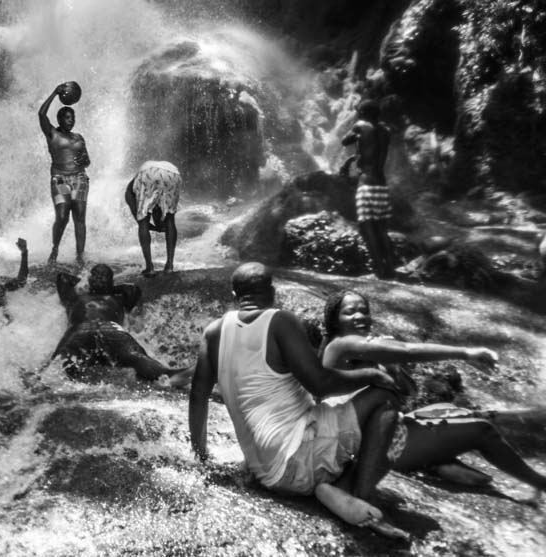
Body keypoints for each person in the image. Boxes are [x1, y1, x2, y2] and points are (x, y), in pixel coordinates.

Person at [189, 263, 405, 534]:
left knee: (334, 413)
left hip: (265, 473)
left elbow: (198, 397)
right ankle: (355, 494)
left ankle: (336, 485)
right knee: (386, 399)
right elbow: (321, 384)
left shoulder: (213, 332)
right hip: (299, 462)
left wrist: (200, 456)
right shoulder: (279, 321)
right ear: (272, 291)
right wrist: (371, 375)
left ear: (234, 295)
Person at [319, 290, 546, 502]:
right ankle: (540, 484)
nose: (360, 316)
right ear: (335, 320)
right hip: (364, 447)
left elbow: (408, 393)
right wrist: (466, 353)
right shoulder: (341, 345)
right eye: (350, 312)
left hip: (372, 433)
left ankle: (436, 462)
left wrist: (393, 368)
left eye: (364, 311)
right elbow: (407, 350)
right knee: (481, 429)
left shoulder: (362, 347)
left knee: (453, 411)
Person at [49, 264, 191, 386]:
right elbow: (62, 277)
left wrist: (110, 288)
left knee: (135, 355)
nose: (99, 277)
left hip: (109, 328)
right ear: (89, 279)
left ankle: (169, 376)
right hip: (80, 328)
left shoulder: (118, 297)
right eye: (95, 275)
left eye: (103, 276)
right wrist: (86, 281)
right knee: (57, 363)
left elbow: (134, 290)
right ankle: (41, 381)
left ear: (111, 282)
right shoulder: (74, 296)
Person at [340, 100, 395, 279]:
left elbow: (344, 141)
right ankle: (390, 268)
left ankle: (379, 269)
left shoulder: (361, 125)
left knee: (366, 227)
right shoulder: (386, 130)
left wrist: (355, 133)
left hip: (366, 184)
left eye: (358, 112)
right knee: (381, 227)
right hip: (381, 184)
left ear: (363, 113)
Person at [38, 84, 90, 267]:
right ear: (60, 119)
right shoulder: (52, 133)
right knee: (62, 215)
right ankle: (55, 248)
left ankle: (80, 255)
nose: (71, 120)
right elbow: (41, 114)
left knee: (80, 216)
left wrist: (84, 160)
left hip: (80, 178)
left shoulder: (79, 138)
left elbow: (87, 162)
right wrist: (54, 92)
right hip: (59, 178)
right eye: (67, 117)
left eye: (72, 117)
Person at [125, 160, 181, 277]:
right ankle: (169, 266)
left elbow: (130, 200)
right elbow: (162, 216)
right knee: (170, 218)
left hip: (148, 173)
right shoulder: (136, 184)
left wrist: (141, 222)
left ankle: (149, 267)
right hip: (173, 174)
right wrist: (159, 226)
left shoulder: (131, 189)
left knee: (143, 219)